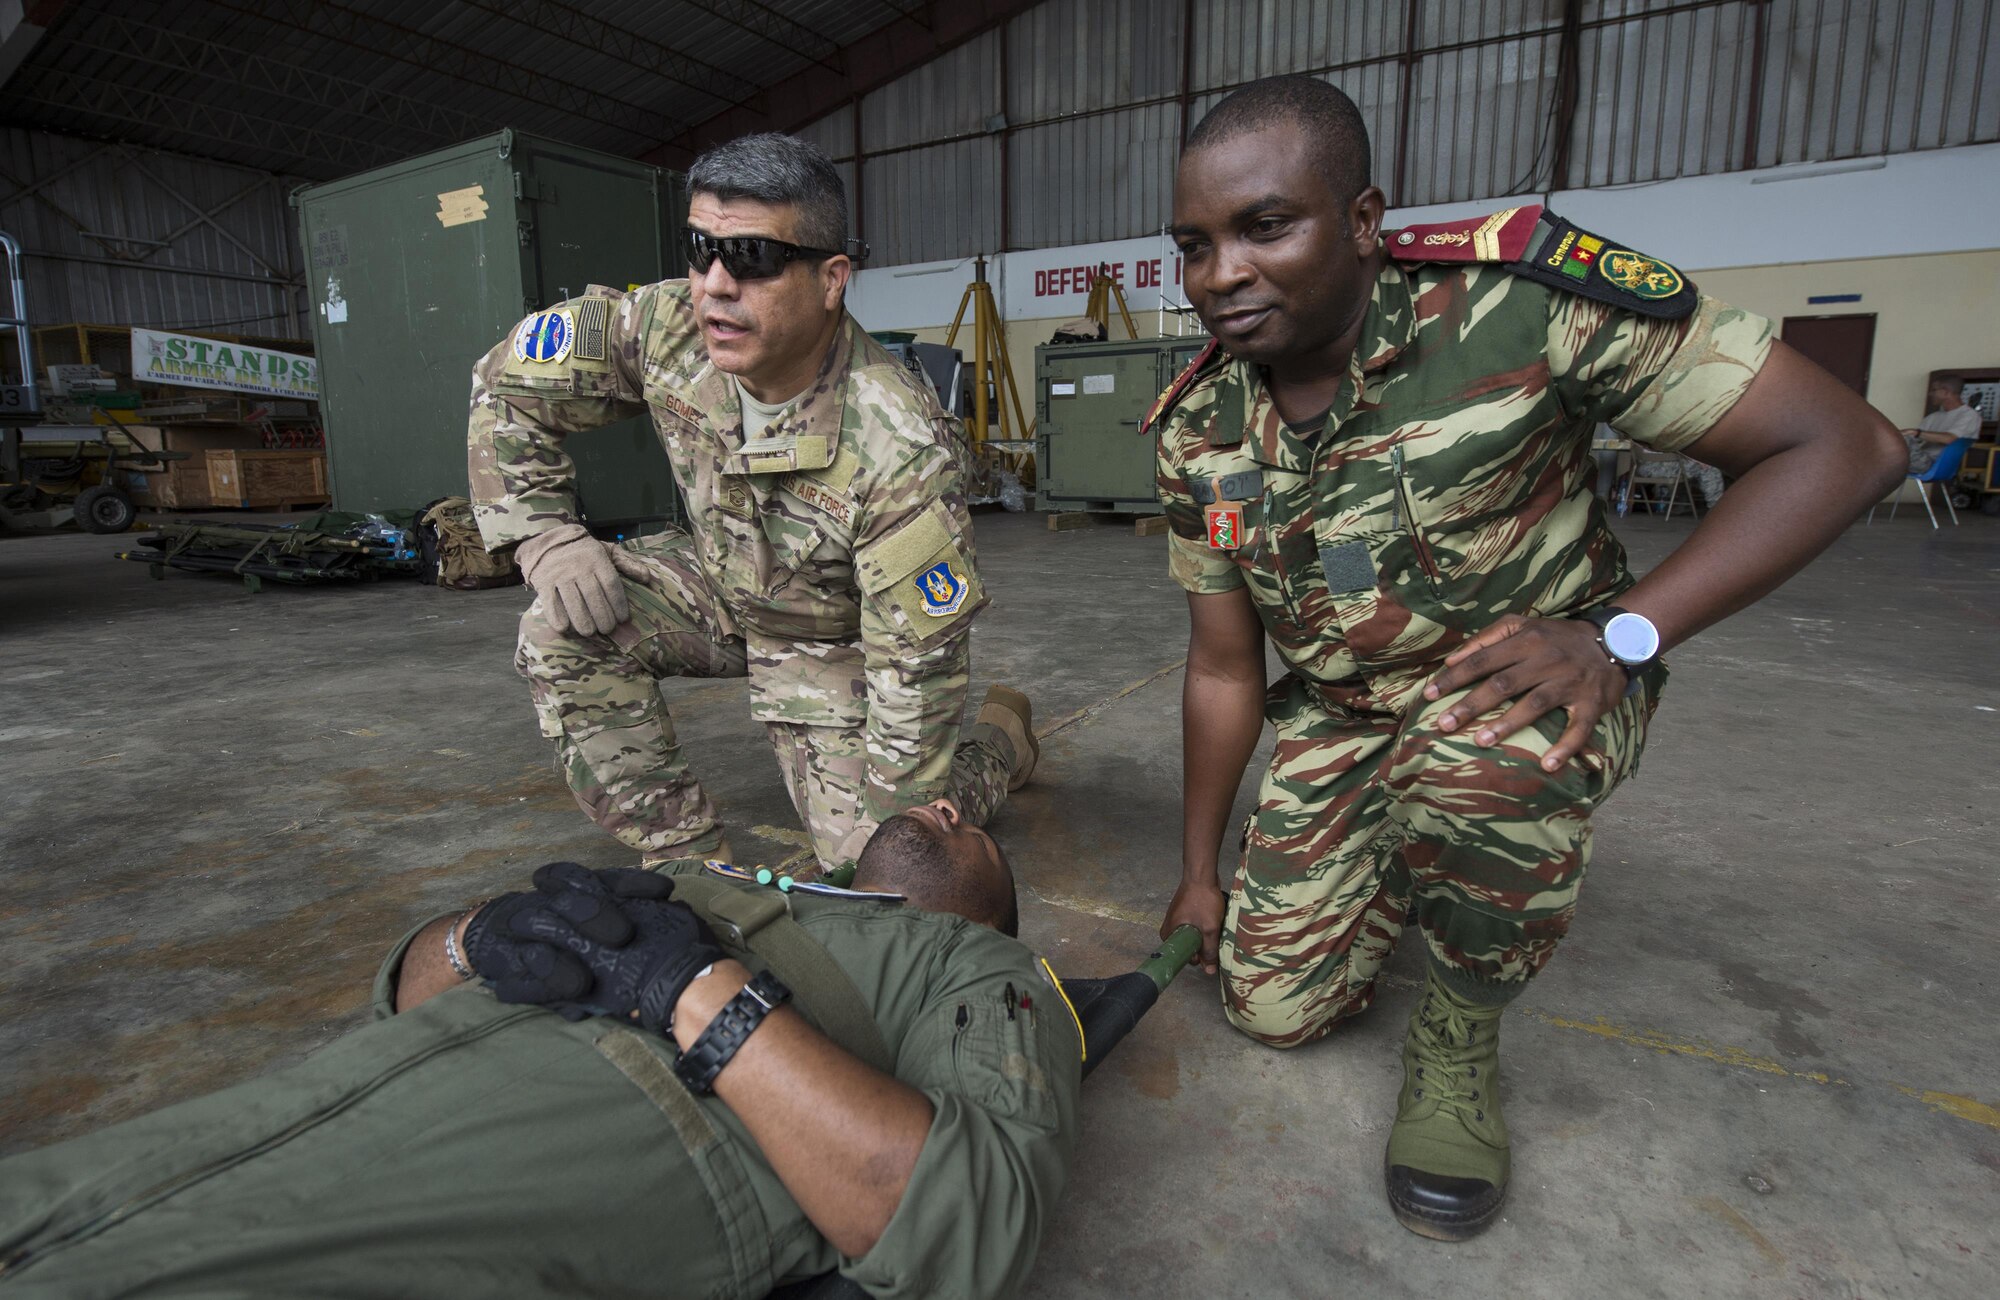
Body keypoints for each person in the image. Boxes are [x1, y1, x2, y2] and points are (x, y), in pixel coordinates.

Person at [1148, 76, 1905, 1240]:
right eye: (1193, 246)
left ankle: (1457, 1029)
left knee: (1472, 763)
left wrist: (1621, 635)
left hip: (1527, 690)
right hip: (1347, 719)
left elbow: (1843, 444)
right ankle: (1404, 852)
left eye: (1263, 227)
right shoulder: (1199, 430)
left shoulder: (1512, 308)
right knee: (1270, 1010)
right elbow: (1221, 665)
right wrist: (1199, 867)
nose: (1221, 276)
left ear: (1361, 220)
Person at [0, 803, 1077, 1299]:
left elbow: (963, 1219)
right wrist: (477, 936)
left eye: (974, 833)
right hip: (306, 1107)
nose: (943, 802)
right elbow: (412, 1000)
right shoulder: (733, 885)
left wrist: (690, 988)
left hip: (569, 1151)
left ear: (991, 915)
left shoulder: (972, 969)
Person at [468, 132, 1035, 878]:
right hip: (712, 582)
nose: (714, 284)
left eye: (753, 260)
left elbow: (916, 673)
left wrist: (905, 834)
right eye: (700, 248)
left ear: (832, 279)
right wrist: (544, 533)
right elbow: (505, 384)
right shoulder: (666, 325)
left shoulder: (897, 444)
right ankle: (691, 867)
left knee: (876, 859)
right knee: (559, 624)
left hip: (832, 639)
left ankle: (999, 745)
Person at [1900, 377, 1981, 474]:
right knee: (1892, 440)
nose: (1930, 394)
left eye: (1934, 390)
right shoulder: (1933, 417)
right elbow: (1916, 439)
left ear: (1945, 392)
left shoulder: (1969, 415)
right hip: (1920, 459)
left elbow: (1950, 439)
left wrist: (1915, 432)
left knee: (1899, 442)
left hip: (1936, 465)